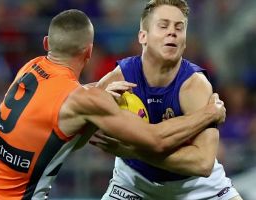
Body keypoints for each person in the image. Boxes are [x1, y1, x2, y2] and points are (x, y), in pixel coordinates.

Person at [0, 9, 226, 200]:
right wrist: (208, 114)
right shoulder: (83, 99)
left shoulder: (30, 68)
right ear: (89, 52)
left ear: (46, 44)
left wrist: (95, 101)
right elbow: (155, 140)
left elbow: (67, 136)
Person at [92, 0, 243, 200]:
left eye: (179, 28)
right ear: (142, 36)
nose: (172, 32)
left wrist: (133, 151)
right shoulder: (118, 79)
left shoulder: (195, 86)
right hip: (134, 184)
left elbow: (203, 164)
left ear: (185, 40)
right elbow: (84, 131)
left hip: (197, 187)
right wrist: (97, 106)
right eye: (163, 26)